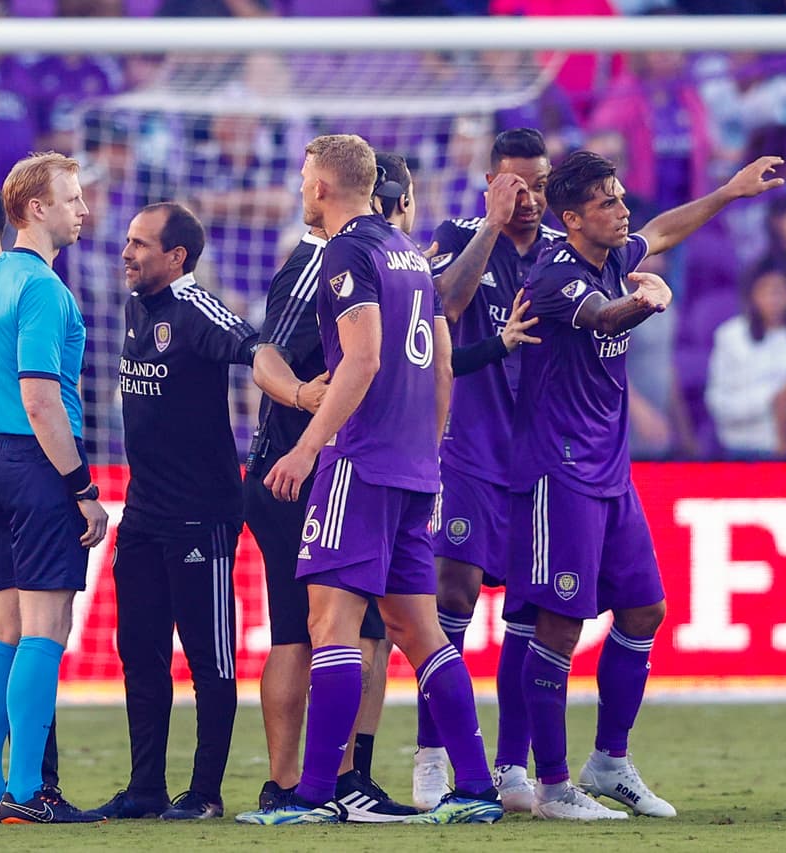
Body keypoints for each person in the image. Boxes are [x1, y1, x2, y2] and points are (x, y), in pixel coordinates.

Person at [508, 150, 783, 821]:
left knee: (644, 610)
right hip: (560, 469)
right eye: (606, 202)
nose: (623, 209)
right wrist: (647, 298)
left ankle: (609, 760)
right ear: (571, 217)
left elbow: (662, 233)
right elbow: (604, 318)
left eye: (621, 196)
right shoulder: (557, 275)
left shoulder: (608, 253)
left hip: (610, 469)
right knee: (559, 621)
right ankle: (551, 785)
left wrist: (727, 191)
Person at [234, 134, 500, 826]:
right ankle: (474, 786)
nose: (300, 190)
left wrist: (306, 449)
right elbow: (439, 362)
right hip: (414, 466)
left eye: (302, 179)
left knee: (331, 623)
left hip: (360, 460)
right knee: (418, 630)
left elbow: (363, 359)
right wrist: (432, 452)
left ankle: (317, 794)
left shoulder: (346, 251)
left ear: (322, 185)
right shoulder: (407, 251)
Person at [244, 160, 423, 824]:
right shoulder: (323, 258)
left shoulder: (383, 260)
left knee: (365, 631)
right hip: (297, 473)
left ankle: (347, 778)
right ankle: (295, 782)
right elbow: (265, 353)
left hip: (344, 471)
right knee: (308, 631)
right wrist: (298, 397)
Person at [0, 151, 107, 824]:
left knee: (4, 627)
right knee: (46, 627)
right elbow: (40, 397)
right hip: (36, 461)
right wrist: (81, 485)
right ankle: (28, 790)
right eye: (72, 198)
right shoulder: (41, 288)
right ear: (35, 208)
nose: (83, 210)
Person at [91, 203, 255, 822]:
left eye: (139, 243)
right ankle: (145, 789)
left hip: (200, 515)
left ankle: (205, 793)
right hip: (142, 513)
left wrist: (296, 395)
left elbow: (254, 349)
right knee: (139, 651)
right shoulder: (136, 307)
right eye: (127, 240)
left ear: (176, 257)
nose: (126, 252)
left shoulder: (199, 310)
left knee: (209, 656)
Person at [416, 127, 560, 812]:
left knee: (529, 612)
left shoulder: (569, 252)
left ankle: (511, 766)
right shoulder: (461, 232)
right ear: (492, 185)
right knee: (454, 597)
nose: (528, 197)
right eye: (514, 184)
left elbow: (654, 239)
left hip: (539, 457)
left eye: (537, 183)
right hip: (469, 448)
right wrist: (493, 225)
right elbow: (443, 302)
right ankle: (431, 755)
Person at [705, 263, 786, 457]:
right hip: (745, 449)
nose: (775, 300)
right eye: (767, 291)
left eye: (780, 291)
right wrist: (776, 396)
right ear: (752, 295)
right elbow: (719, 405)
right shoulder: (732, 337)